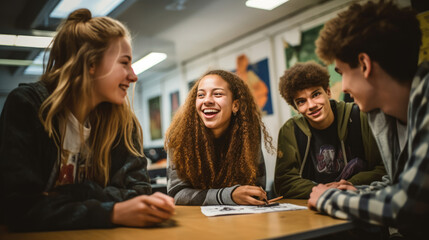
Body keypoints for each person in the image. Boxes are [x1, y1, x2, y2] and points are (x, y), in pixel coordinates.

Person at [0, 9, 175, 232]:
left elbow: (139, 193)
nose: (133, 76)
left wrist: (74, 194)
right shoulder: (29, 107)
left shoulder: (122, 123)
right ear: (91, 64)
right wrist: (112, 211)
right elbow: (18, 208)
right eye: (124, 63)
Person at [307, 1, 427, 239]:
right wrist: (356, 192)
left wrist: (329, 198)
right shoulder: (383, 113)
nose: (345, 88)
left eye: (341, 73)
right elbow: (399, 184)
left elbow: (409, 204)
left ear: (364, 64)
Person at [274, 61, 385, 199]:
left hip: (357, 198)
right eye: (301, 101)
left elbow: (384, 168)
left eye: (316, 95)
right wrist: (321, 190)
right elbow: (284, 182)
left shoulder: (359, 116)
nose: (311, 105)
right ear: (296, 108)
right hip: (310, 209)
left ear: (328, 92)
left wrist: (349, 184)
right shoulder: (290, 130)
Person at [165, 70, 275, 205]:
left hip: (238, 219)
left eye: (217, 94)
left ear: (235, 105)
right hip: (195, 220)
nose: (207, 101)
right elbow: (176, 194)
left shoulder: (247, 131)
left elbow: (256, 186)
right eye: (201, 95)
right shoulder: (179, 135)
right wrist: (229, 195)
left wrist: (251, 196)